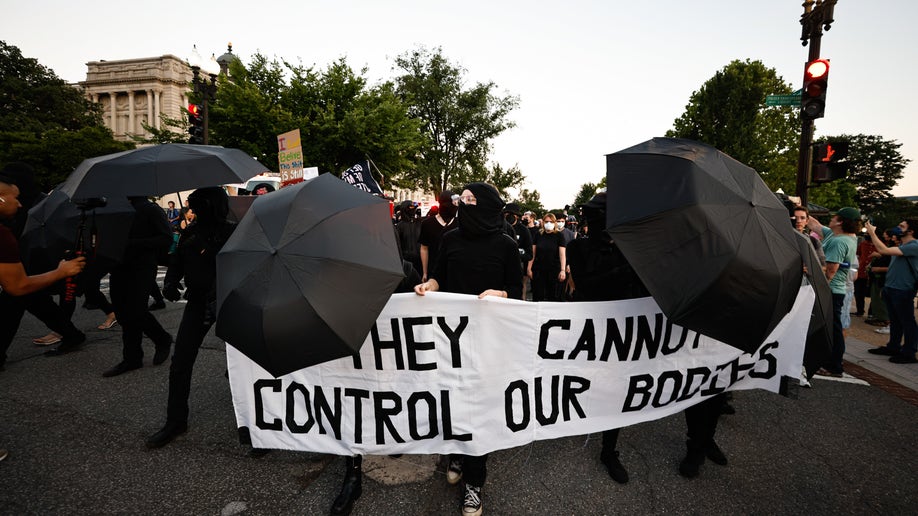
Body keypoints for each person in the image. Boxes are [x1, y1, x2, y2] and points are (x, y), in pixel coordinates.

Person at [414, 182, 521, 516]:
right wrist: (427, 286)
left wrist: (500, 295)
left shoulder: (506, 245)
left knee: (482, 410)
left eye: (473, 200)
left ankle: (475, 481)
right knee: (456, 402)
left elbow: (517, 292)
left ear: (488, 206)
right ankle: (457, 453)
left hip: (489, 343)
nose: (464, 204)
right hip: (452, 342)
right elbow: (440, 278)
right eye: (464, 200)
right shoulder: (451, 239)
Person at [566, 193, 649, 483]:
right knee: (582, 380)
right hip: (587, 331)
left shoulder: (631, 250)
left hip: (620, 332)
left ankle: (609, 449)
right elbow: (587, 286)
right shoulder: (578, 247)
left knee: (616, 389)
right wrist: (628, 267)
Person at [146, 187, 237, 448]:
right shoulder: (190, 231)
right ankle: (176, 421)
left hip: (227, 303)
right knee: (181, 363)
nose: (194, 212)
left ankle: (253, 422)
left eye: (199, 208)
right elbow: (176, 260)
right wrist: (170, 282)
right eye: (193, 208)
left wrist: (204, 247)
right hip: (197, 303)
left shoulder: (232, 232)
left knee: (241, 367)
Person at [0, 166, 87, 366]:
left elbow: (18, 285)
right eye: (16, 197)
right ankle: (72, 334)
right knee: (32, 302)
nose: (19, 204)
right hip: (21, 266)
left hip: (29, 264)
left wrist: (60, 270)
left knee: (16, 304)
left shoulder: (44, 204)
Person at [102, 195, 173, 377]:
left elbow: (165, 238)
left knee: (136, 310)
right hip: (118, 265)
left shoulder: (150, 209)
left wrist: (133, 243)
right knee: (123, 312)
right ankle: (133, 358)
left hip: (141, 266)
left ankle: (160, 339)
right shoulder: (115, 210)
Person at [807, 207, 860, 377]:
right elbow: (814, 225)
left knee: (833, 330)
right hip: (834, 291)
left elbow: (830, 271)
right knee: (831, 328)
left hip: (831, 290)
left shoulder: (839, 242)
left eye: (834, 216)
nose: (831, 219)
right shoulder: (838, 235)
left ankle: (835, 366)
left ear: (840, 221)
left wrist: (810, 273)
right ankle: (828, 361)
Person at [864, 219, 918, 363]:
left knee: (907, 322)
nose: (898, 228)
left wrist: (872, 233)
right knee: (895, 321)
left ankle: (909, 352)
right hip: (892, 288)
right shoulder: (902, 245)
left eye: (902, 226)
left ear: (911, 231)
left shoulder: (914, 246)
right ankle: (893, 346)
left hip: (903, 290)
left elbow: (883, 250)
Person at [418, 190, 458, 282]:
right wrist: (425, 272)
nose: (456, 206)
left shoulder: (459, 223)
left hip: (454, 272)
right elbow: (424, 248)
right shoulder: (427, 223)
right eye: (454, 203)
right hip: (433, 272)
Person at [529, 212, 567, 302]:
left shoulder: (559, 236)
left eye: (551, 222)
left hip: (554, 270)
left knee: (553, 296)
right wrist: (529, 268)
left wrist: (563, 270)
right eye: (546, 222)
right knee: (538, 295)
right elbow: (533, 253)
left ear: (554, 223)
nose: (548, 224)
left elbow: (562, 254)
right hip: (539, 269)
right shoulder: (538, 235)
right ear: (543, 222)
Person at [502, 203, 533, 299]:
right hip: (500, 266)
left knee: (518, 290)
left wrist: (516, 254)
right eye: (507, 214)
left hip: (517, 266)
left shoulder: (524, 230)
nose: (509, 216)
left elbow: (529, 254)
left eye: (512, 214)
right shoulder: (499, 226)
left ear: (517, 216)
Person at [854, 233, 875, 317]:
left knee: (873, 294)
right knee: (859, 292)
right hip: (861, 271)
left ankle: (871, 312)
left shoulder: (878, 245)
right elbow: (858, 254)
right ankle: (860, 310)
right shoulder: (863, 244)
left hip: (872, 273)